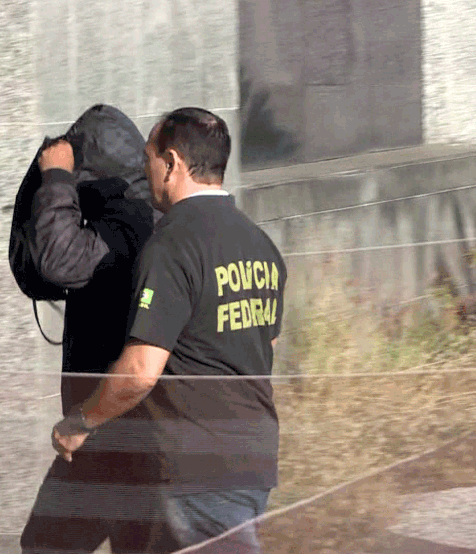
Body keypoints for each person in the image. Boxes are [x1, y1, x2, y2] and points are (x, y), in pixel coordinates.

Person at [52, 107, 287, 554]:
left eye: (148, 158)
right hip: (254, 461)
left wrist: (80, 422)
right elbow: (264, 345)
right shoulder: (261, 244)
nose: (144, 170)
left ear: (173, 163)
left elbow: (141, 371)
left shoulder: (172, 244)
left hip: (195, 467)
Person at [18, 104, 163, 554]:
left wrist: (57, 179)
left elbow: (57, 260)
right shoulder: (138, 219)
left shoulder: (127, 226)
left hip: (114, 431)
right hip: (123, 435)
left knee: (47, 546)